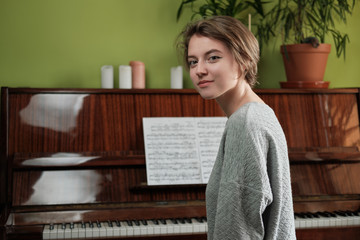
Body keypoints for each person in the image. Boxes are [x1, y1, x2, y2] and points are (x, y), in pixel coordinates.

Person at [176, 16, 296, 239]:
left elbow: (236, 229)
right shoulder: (261, 112)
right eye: (193, 61)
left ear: (244, 60)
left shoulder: (244, 123)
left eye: (213, 58)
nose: (199, 70)